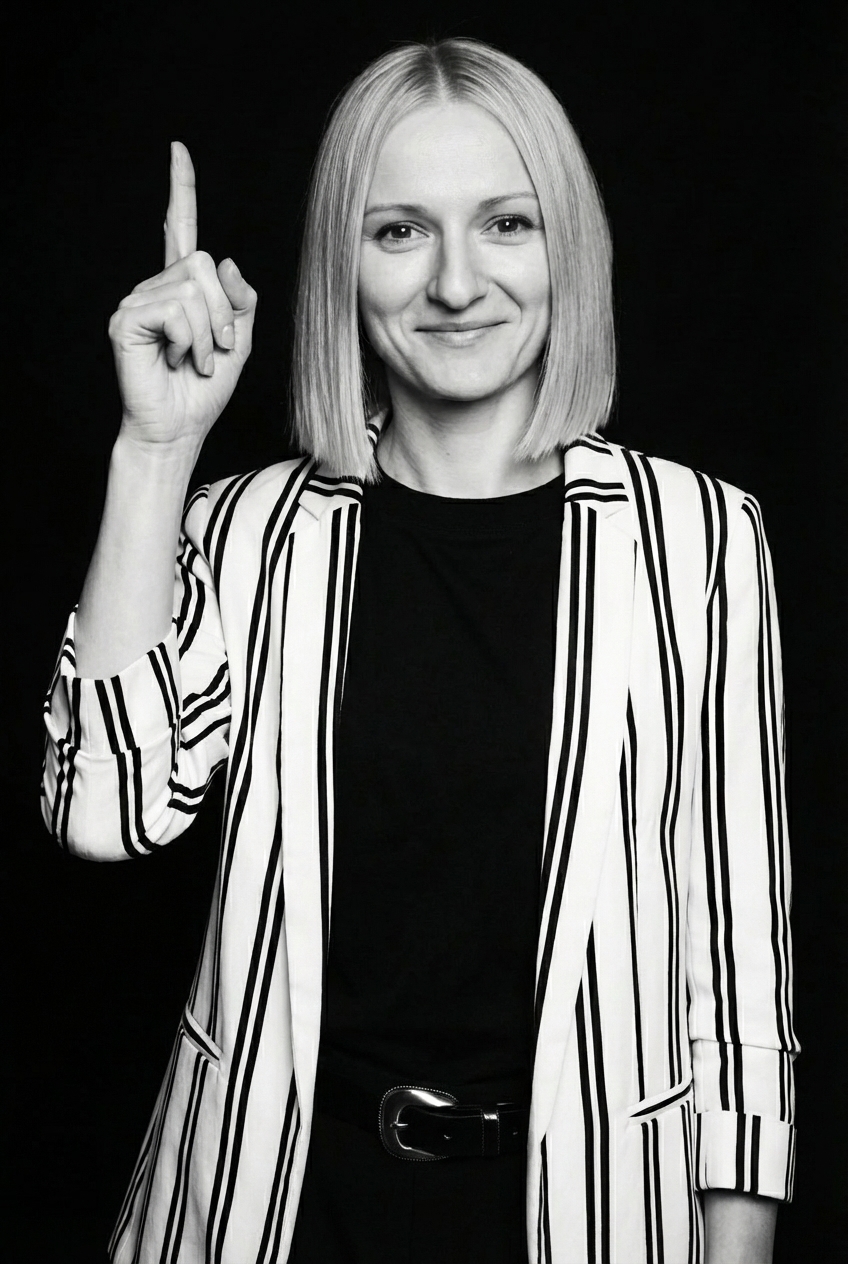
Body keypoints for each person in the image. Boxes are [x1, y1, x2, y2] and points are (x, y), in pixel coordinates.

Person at [41, 37, 798, 1264]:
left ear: (569, 248)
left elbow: (736, 953)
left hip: (591, 1215)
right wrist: (154, 451)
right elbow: (101, 811)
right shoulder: (247, 529)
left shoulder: (700, 538)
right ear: (344, 262)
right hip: (268, 1209)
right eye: (399, 232)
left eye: (505, 223)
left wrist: (736, 1244)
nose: (456, 282)